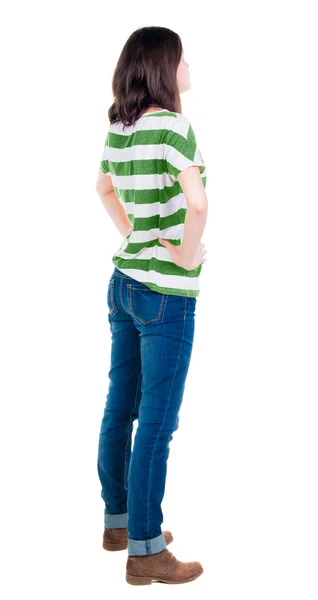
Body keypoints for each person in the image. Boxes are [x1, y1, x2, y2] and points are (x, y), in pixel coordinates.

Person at [95, 26, 208, 586]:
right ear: (165, 67)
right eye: (184, 59)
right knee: (156, 424)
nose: (190, 67)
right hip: (165, 294)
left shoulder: (121, 127)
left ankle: (119, 522)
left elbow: (103, 189)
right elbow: (198, 202)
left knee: (122, 406)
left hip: (123, 283)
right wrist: (188, 257)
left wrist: (133, 235)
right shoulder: (175, 127)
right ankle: (144, 550)